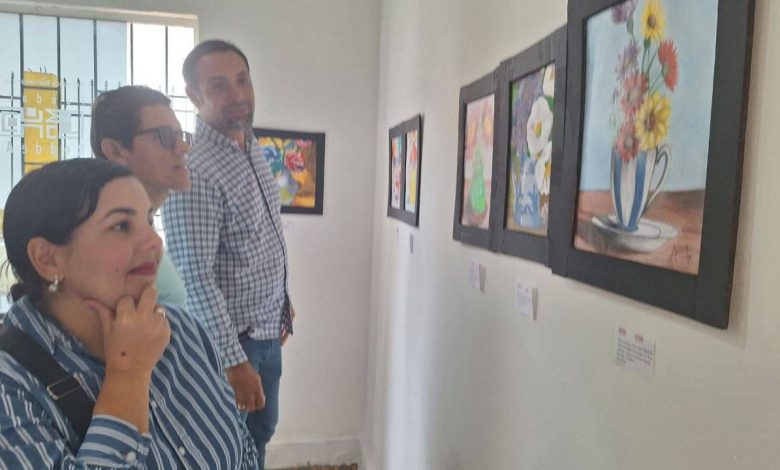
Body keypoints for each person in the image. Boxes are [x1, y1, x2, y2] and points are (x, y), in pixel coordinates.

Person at [0, 158, 259, 468]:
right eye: (121, 226)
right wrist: (128, 375)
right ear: (47, 259)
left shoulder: (181, 329)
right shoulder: (10, 384)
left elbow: (242, 447)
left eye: (149, 220)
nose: (154, 242)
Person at [162, 39, 294, 467]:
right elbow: (195, 276)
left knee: (260, 435)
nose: (238, 95)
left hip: (266, 330)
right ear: (194, 95)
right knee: (227, 448)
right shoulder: (196, 169)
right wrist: (234, 362)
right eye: (219, 86)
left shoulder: (250, 146)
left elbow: (263, 237)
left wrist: (282, 303)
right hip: (231, 344)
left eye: (242, 80)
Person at [91, 85, 192, 309]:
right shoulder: (106, 242)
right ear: (116, 151)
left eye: (181, 136)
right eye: (165, 136)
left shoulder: (144, 231)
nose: (183, 147)